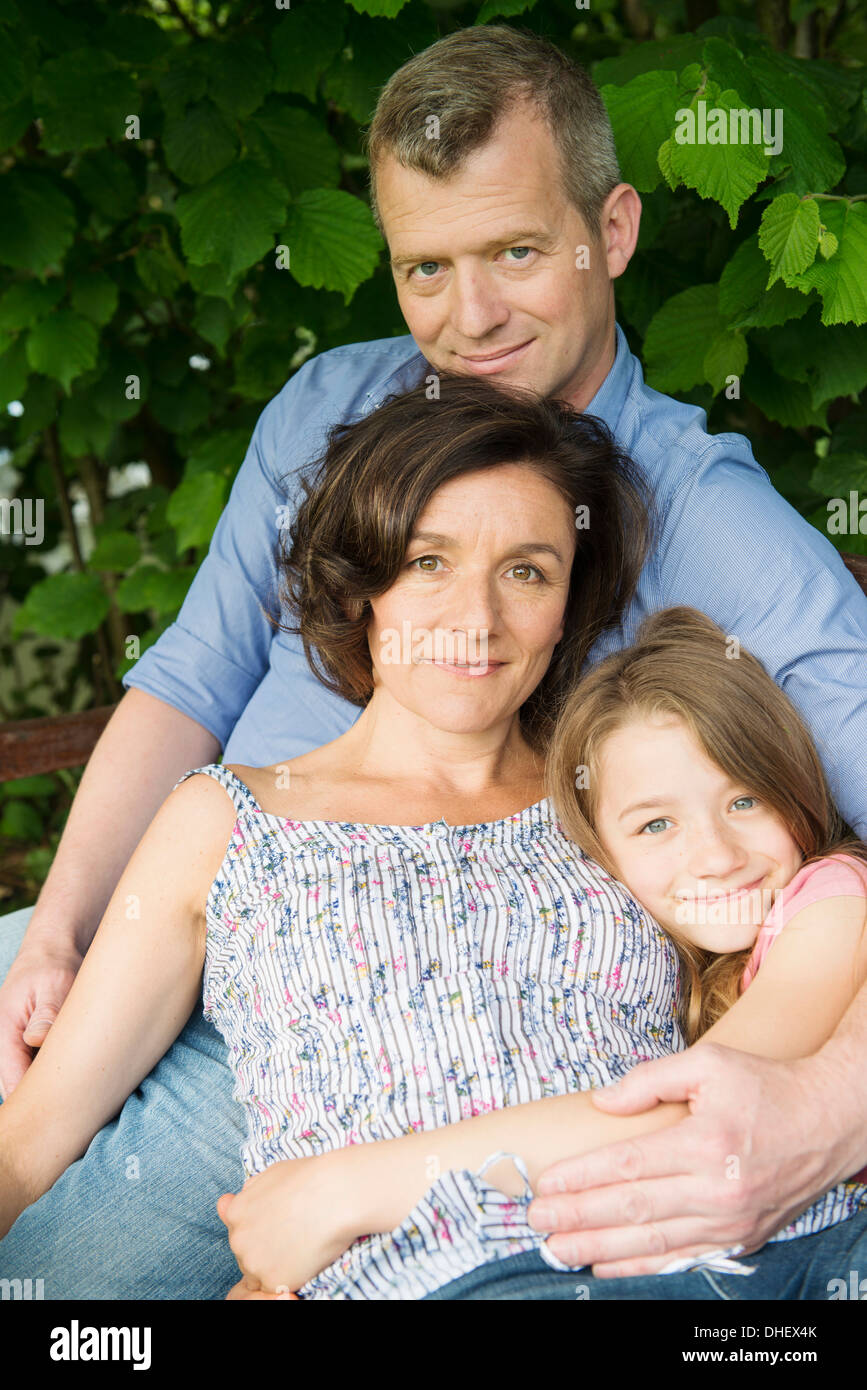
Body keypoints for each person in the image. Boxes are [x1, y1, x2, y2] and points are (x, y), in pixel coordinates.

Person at [1, 24, 866, 1298]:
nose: (469, 319)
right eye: (425, 268)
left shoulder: (703, 522)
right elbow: (187, 683)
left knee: (74, 1278)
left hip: (391, 1011)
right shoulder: (325, 412)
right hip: (186, 893)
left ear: (612, 233)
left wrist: (832, 1109)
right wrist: (61, 932)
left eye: (517, 252)